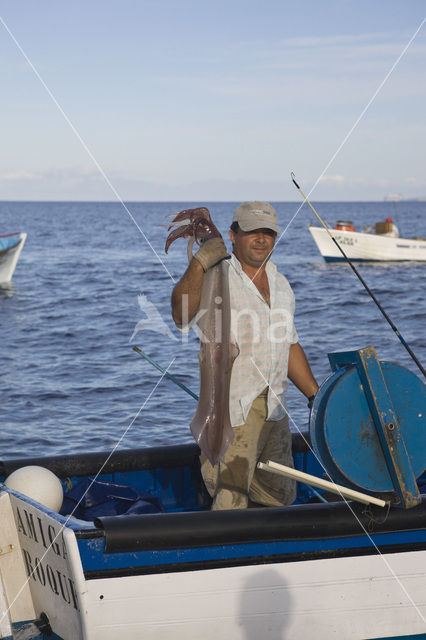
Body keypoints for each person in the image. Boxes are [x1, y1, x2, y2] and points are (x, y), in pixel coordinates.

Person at [171, 201, 319, 510]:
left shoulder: (281, 283)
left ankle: (272, 555)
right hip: (232, 414)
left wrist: (316, 397)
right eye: (253, 232)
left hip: (276, 412)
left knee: (279, 499)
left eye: (268, 232)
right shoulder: (216, 273)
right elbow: (180, 314)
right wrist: (200, 261)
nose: (261, 239)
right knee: (229, 501)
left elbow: (288, 344)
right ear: (233, 235)